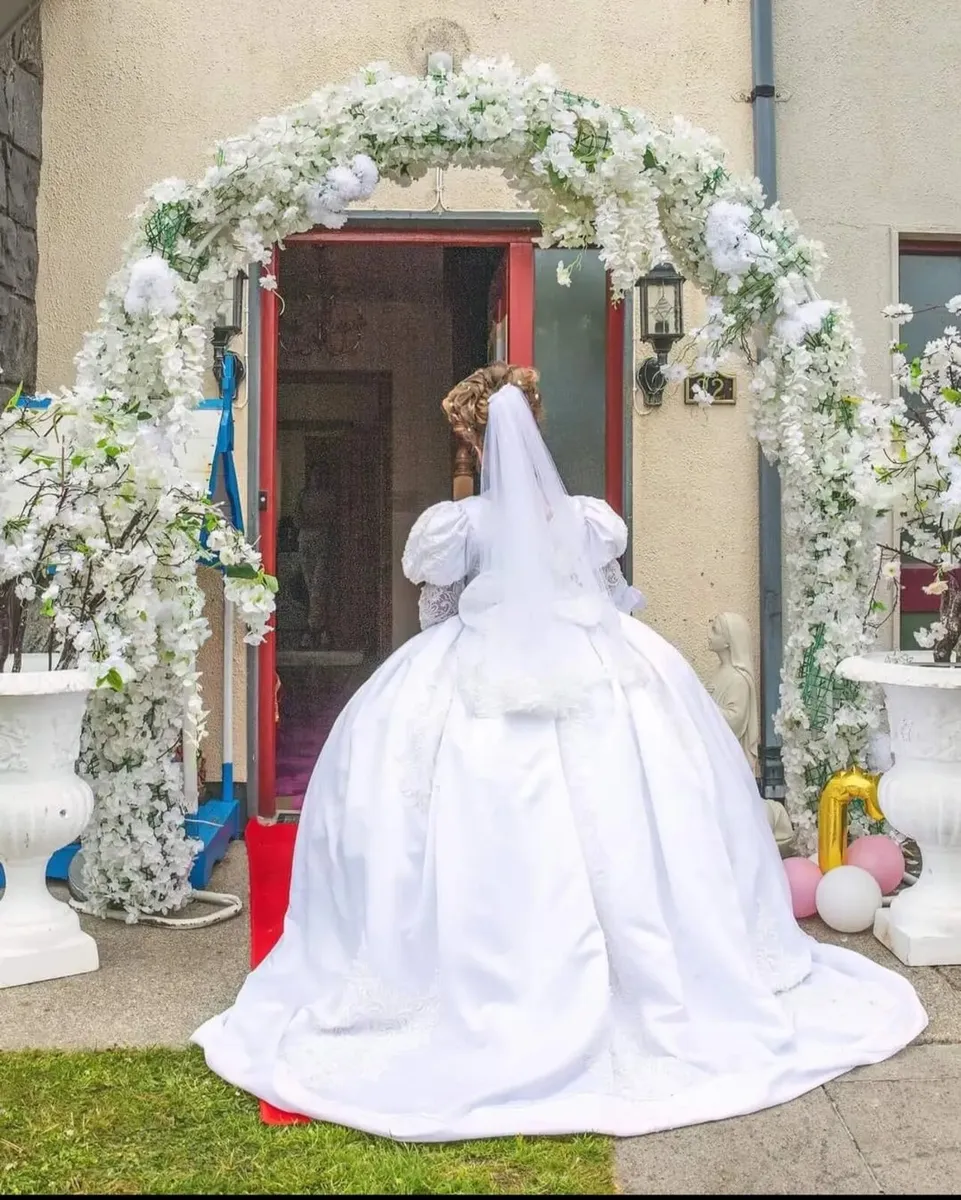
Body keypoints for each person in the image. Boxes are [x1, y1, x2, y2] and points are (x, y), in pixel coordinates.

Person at [193, 363, 926, 1142]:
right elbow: (609, 598)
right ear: (533, 429)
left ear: (469, 439)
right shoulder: (584, 518)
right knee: (631, 812)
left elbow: (435, 613)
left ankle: (479, 967)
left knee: (466, 815)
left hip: (476, 667)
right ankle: (641, 967)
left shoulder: (456, 525)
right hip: (603, 666)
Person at [296, 461, 335, 649]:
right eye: (314, 474)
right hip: (305, 539)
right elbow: (297, 518)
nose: (316, 478)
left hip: (321, 539)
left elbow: (331, 518)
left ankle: (313, 629)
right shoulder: (304, 495)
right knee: (309, 584)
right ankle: (318, 629)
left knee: (319, 586)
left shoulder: (329, 497)